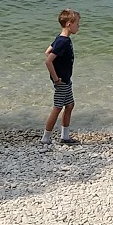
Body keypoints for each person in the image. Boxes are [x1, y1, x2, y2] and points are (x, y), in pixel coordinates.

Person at [42, 9, 80, 145]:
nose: (78, 26)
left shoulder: (61, 38)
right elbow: (48, 60)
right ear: (69, 24)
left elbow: (48, 51)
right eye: (77, 24)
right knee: (57, 107)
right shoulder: (63, 41)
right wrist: (56, 78)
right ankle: (45, 138)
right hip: (61, 81)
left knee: (69, 105)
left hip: (66, 80)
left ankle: (65, 136)